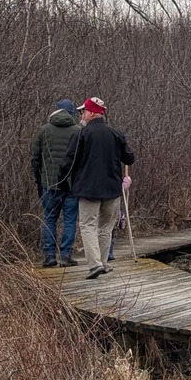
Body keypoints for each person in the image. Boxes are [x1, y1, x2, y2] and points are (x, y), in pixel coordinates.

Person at [61, 97, 134, 279]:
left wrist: (61, 181)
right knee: (105, 227)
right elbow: (129, 159)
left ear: (92, 112)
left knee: (88, 225)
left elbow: (68, 162)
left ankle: (95, 265)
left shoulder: (81, 135)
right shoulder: (116, 134)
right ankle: (103, 262)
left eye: (83, 111)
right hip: (112, 189)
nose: (82, 115)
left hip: (88, 189)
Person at [32, 98, 82, 267]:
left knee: (49, 219)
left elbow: (35, 159)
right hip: (71, 184)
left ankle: (49, 256)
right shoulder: (78, 131)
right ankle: (66, 255)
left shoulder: (44, 131)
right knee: (70, 220)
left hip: (50, 183)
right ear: (72, 113)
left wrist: (39, 180)